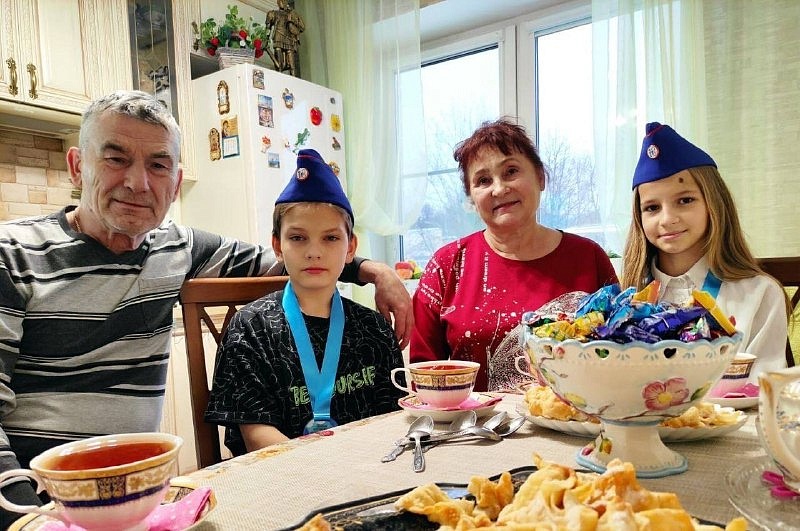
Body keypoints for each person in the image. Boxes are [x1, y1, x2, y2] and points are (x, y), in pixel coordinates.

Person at [0, 90, 410, 524]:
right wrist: (30, 518)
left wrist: (373, 271)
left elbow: (293, 263)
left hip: (136, 499)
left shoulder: (178, 248)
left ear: (176, 182)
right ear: (77, 166)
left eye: (158, 165)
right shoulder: (13, 255)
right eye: (116, 158)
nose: (138, 183)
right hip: (36, 501)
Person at [205, 149, 405, 454]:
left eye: (330, 238)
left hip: (367, 470)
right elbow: (256, 435)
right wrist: (323, 472)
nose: (314, 252)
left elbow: (393, 420)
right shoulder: (250, 330)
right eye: (298, 238)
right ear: (277, 245)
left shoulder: (374, 329)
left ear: (351, 247)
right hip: (282, 476)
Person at [410, 118, 618, 392]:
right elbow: (424, 378)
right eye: (483, 180)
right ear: (472, 197)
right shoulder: (446, 266)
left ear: (540, 177)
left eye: (511, 171)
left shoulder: (589, 257)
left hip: (572, 417)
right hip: (474, 420)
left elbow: (619, 357)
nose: (499, 188)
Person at [622, 122, 790, 382]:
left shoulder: (759, 294)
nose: (667, 219)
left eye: (685, 200)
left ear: (714, 204)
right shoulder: (626, 304)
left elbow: (766, 389)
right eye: (652, 208)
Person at [265, 0, 304, 77]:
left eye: (284, 1)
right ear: (278, 2)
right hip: (278, 37)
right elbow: (268, 28)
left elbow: (302, 27)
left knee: (292, 65)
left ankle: (294, 80)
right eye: (281, 1)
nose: (282, 2)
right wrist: (266, 39)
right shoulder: (273, 13)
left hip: (289, 38)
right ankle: (280, 78)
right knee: (279, 65)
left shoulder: (291, 14)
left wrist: (292, 21)